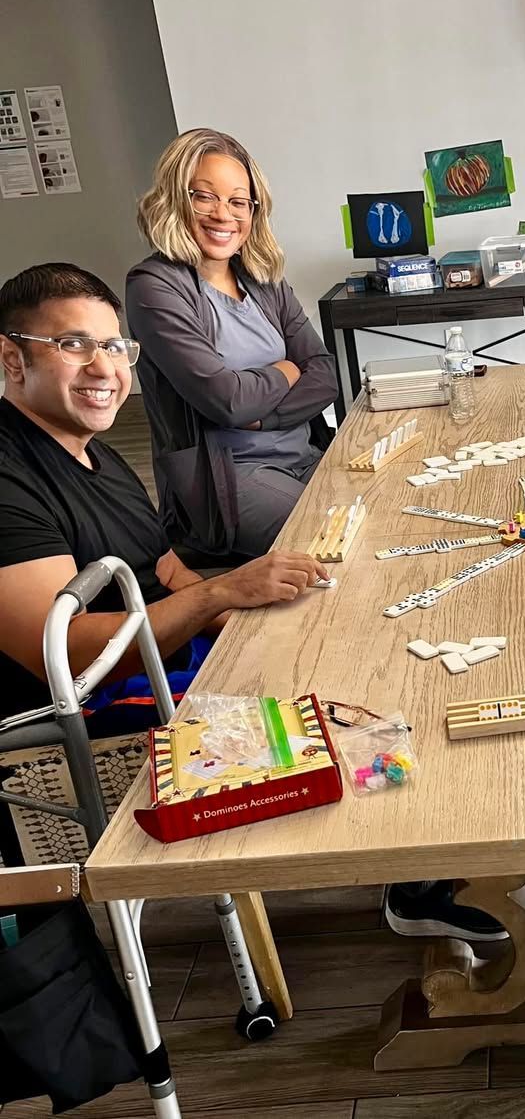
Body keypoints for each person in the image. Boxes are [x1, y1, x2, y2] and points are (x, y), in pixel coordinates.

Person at [0, 264, 328, 860]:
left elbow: (167, 570)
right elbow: (62, 656)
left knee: (332, 643)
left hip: (162, 656)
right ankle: (410, 881)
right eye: (74, 345)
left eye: (114, 346)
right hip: (94, 707)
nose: (104, 369)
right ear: (13, 357)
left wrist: (261, 630)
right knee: (333, 712)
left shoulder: (94, 454)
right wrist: (220, 594)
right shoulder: (7, 475)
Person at [127, 128, 338, 559]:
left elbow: (325, 374)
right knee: (328, 542)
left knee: (387, 511)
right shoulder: (154, 287)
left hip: (304, 454)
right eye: (203, 196)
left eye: (238, 201)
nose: (223, 214)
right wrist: (285, 370)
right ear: (174, 199)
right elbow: (227, 402)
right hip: (227, 479)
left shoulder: (263, 279)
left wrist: (262, 419)